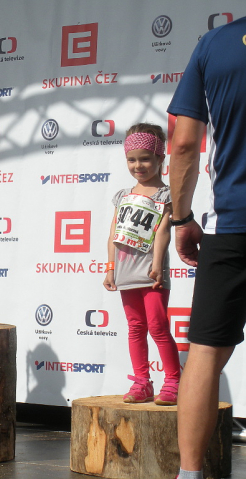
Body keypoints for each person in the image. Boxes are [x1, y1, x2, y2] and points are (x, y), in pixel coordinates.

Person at [167, 16, 246, 479]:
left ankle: (190, 474)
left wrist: (181, 219)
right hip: (230, 223)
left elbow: (183, 145)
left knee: (205, 353)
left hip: (231, 225)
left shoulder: (215, 44)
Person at [103, 123, 181, 406]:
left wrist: (157, 265)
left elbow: (163, 231)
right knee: (135, 327)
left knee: (158, 327)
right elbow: (114, 233)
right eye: (132, 160)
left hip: (152, 272)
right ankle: (141, 382)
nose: (138, 166)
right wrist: (110, 268)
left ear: (160, 158)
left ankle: (173, 382)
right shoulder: (123, 196)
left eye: (145, 159)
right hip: (125, 272)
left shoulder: (166, 195)